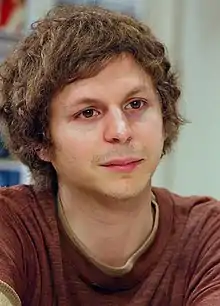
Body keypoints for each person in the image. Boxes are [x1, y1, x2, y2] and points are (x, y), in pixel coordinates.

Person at [0, 4, 220, 306]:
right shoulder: (12, 226)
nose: (121, 130)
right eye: (88, 112)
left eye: (136, 104)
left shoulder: (207, 234)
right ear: (42, 141)